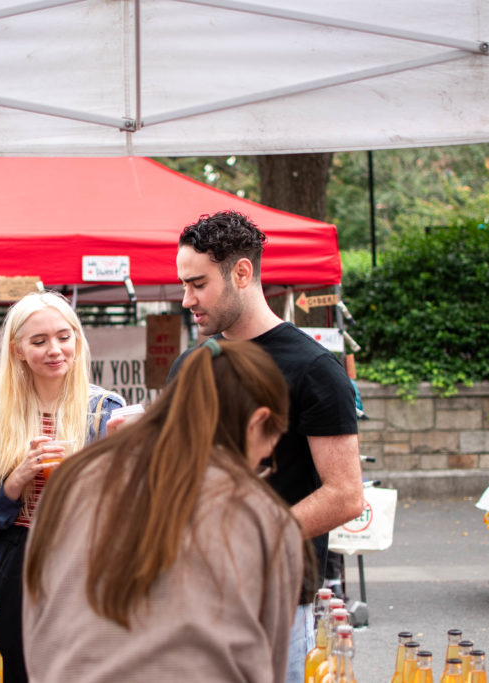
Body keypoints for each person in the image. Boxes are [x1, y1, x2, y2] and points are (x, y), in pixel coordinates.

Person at [24, 339, 307, 682]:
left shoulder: (72, 477)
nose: (265, 457)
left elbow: (38, 623)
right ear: (258, 420)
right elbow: (270, 663)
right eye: (272, 444)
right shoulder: (260, 512)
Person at [169, 210, 364, 683]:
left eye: (197, 285)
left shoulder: (315, 369)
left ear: (241, 272)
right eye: (183, 285)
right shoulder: (190, 364)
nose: (186, 299)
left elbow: (345, 494)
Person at [0, 291, 123, 683]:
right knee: (16, 669)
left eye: (63, 336)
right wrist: (14, 483)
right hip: (18, 564)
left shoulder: (105, 411)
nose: (55, 350)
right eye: (39, 341)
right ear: (18, 350)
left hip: (85, 561)